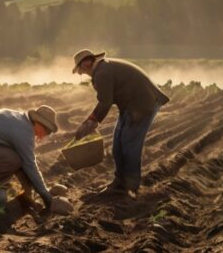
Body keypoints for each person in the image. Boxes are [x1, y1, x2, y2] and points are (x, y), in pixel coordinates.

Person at [71, 49, 170, 194]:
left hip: (141, 104)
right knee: (117, 144)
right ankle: (119, 181)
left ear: (86, 63)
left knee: (129, 144)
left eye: (80, 70)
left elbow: (105, 102)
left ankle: (130, 184)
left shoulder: (102, 73)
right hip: (131, 104)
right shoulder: (104, 68)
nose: (81, 74)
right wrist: (91, 121)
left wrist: (90, 123)